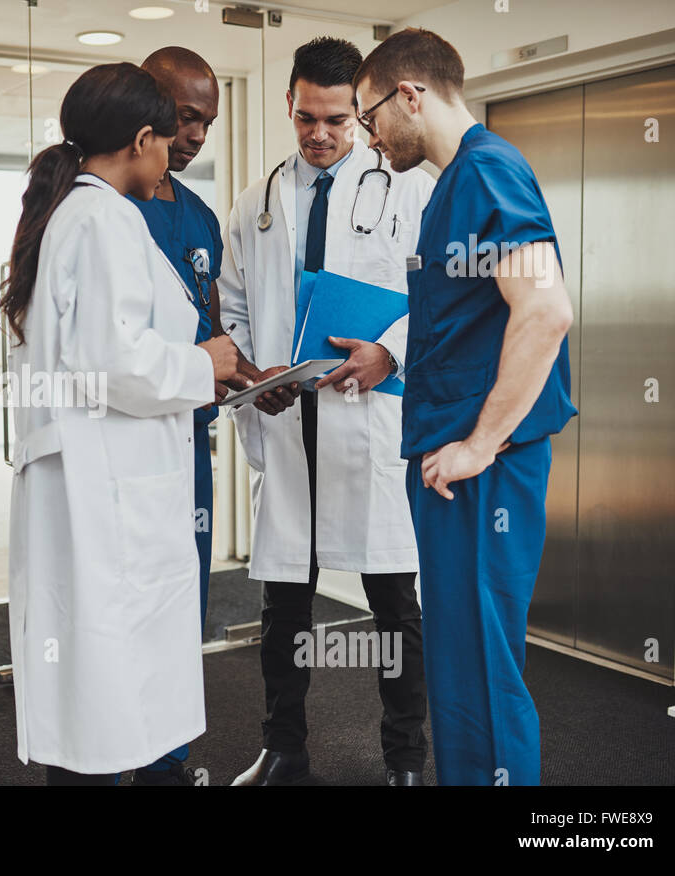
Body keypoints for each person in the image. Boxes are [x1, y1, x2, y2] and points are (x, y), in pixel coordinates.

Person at [0, 62, 239, 785]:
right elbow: (116, 364)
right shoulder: (104, 218)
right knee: (103, 682)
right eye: (168, 140)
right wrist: (207, 364)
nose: (174, 155)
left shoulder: (72, 212)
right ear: (141, 140)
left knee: (96, 685)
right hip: (107, 488)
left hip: (97, 477)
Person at [353, 28, 577, 785]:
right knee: (458, 659)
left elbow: (545, 311)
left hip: (484, 471)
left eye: (368, 115)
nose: (369, 136)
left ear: (409, 95)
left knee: (483, 663)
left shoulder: (488, 171)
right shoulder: (453, 185)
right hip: (452, 469)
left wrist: (481, 442)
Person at [218, 37, 434, 786]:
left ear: (361, 112)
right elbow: (234, 306)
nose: (319, 134)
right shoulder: (257, 200)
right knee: (283, 606)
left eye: (337, 121)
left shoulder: (406, 185)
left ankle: (406, 761)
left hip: (367, 422)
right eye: (307, 117)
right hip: (289, 426)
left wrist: (391, 351)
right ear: (289, 103)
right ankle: (284, 749)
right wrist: (253, 371)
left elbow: (441, 297)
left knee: (396, 609)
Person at [124, 45, 245, 786]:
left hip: (186, 448)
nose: (197, 135)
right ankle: (111, 755)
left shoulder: (198, 216)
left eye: (208, 121)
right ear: (146, 107)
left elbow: (214, 331)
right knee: (124, 609)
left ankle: (167, 763)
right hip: (123, 449)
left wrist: (253, 376)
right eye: (185, 116)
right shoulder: (99, 205)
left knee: (180, 607)